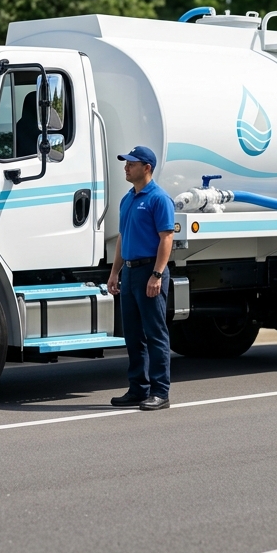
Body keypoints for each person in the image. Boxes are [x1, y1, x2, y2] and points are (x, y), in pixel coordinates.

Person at [107, 145, 176, 410]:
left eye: (132, 163)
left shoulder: (159, 198)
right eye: (126, 162)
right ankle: (138, 388)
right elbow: (123, 237)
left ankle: (161, 392)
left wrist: (157, 274)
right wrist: (115, 272)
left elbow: (166, 238)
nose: (126, 166)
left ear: (146, 168)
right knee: (133, 335)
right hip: (131, 272)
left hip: (150, 271)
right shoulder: (128, 199)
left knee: (155, 333)